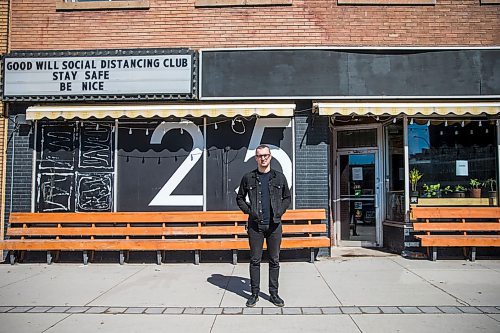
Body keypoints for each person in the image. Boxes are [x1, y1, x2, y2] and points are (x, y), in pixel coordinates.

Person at [236, 144, 291, 307]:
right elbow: (239, 198)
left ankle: (274, 294)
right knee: (255, 260)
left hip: (274, 226)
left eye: (266, 155)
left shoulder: (279, 177)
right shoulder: (248, 178)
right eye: (260, 156)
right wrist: (251, 212)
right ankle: (254, 294)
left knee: (274, 260)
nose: (263, 158)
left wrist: (279, 211)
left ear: (270, 156)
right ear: (256, 158)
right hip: (255, 226)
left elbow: (287, 197)